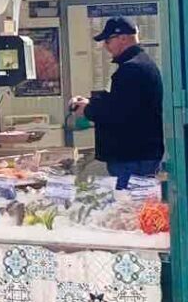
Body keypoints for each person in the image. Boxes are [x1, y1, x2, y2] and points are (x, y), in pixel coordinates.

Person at [70, 16, 164, 189]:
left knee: (131, 206)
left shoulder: (132, 69)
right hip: (137, 155)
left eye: (108, 41)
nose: (105, 46)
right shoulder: (138, 64)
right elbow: (119, 102)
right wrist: (90, 102)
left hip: (132, 156)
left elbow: (119, 113)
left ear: (123, 38)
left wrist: (88, 110)